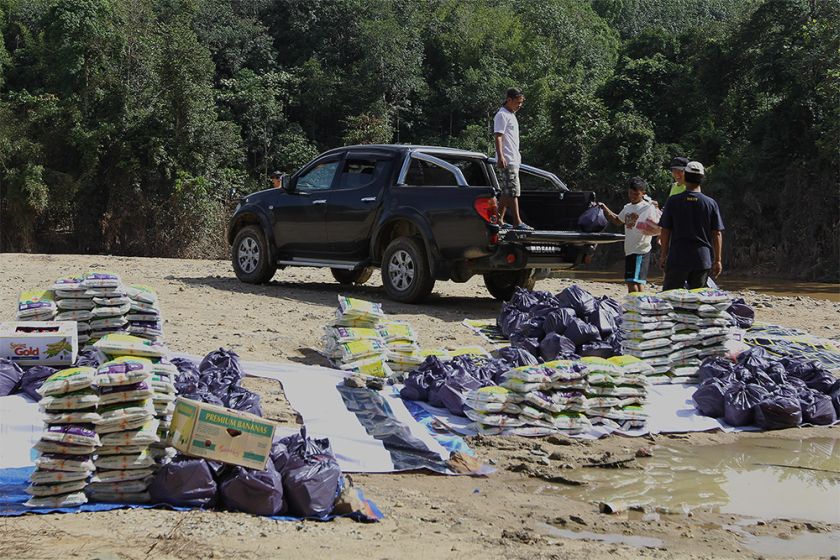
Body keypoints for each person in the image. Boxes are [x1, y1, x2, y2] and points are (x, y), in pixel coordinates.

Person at [658, 161, 725, 290]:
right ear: (702, 179)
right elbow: (716, 233)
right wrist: (717, 260)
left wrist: (663, 255)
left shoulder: (673, 201)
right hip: (701, 259)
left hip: (677, 258)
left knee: (671, 298)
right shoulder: (710, 203)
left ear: (685, 176)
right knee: (697, 301)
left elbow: (665, 230)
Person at [599, 177, 658, 293]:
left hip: (641, 250)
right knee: (633, 281)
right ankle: (638, 306)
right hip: (630, 250)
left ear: (643, 193)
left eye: (636, 194)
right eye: (630, 193)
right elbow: (617, 220)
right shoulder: (627, 207)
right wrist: (604, 208)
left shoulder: (647, 207)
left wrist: (655, 206)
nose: (632, 196)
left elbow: (656, 222)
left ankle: (638, 306)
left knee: (634, 282)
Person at [493, 88, 532, 230]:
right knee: (513, 191)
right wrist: (501, 156)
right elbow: (498, 136)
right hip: (507, 159)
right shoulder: (501, 115)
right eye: (517, 102)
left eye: (521, 102)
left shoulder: (511, 114)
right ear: (509, 100)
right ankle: (517, 222)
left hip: (514, 158)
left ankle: (498, 219)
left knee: (507, 191)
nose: (519, 105)